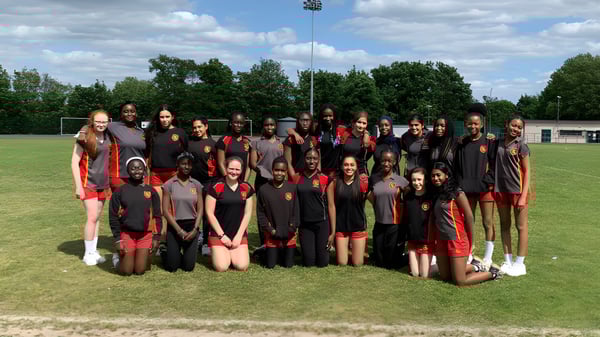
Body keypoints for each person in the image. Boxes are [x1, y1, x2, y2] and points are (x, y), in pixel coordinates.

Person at [430, 162, 501, 286]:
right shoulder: (435, 193)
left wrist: (471, 242)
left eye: (438, 175)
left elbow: (469, 217)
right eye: (433, 176)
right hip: (441, 240)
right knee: (445, 276)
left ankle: (493, 273)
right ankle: (475, 267)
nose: (435, 178)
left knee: (460, 281)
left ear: (446, 175)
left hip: (457, 240)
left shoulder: (457, 193)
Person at [455, 104, 497, 269]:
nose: (473, 126)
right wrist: (461, 184)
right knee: (468, 221)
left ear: (482, 124)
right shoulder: (461, 142)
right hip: (467, 189)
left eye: (476, 124)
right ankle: (469, 252)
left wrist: (487, 181)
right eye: (470, 124)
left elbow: (494, 166)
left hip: (485, 189)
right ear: (466, 124)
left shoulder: (489, 142)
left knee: (488, 222)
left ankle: (488, 257)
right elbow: (457, 167)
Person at [71, 110, 111, 266]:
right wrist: (78, 187)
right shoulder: (85, 135)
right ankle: (87, 254)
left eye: (104, 122)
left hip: (103, 184)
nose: (101, 124)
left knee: (97, 218)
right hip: (88, 183)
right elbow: (74, 162)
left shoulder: (109, 137)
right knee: (92, 217)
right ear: (92, 121)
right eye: (98, 122)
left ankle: (94, 251)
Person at [109, 157, 162, 275]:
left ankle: (140, 257)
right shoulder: (120, 191)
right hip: (127, 234)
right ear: (127, 170)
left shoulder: (151, 191)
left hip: (144, 235)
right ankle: (117, 259)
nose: (136, 171)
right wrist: (118, 238)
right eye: (133, 168)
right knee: (127, 271)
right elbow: (113, 216)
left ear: (144, 170)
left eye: (139, 168)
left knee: (140, 270)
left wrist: (156, 237)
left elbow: (157, 216)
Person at [494, 115, 531, 277]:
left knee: (521, 227)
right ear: (506, 124)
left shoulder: (521, 146)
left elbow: (527, 172)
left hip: (518, 190)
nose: (516, 129)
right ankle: (507, 261)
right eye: (513, 125)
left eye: (519, 127)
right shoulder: (496, 143)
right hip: (501, 190)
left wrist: (523, 196)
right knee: (504, 225)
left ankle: (519, 263)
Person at [205, 156, 254, 272]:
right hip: (218, 234)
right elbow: (209, 213)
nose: (234, 172)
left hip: (238, 234)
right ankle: (218, 251)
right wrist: (222, 236)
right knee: (222, 267)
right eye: (231, 168)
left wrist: (238, 236)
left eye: (237, 170)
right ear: (226, 168)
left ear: (241, 171)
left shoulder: (246, 188)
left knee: (242, 266)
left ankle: (231, 251)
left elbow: (248, 214)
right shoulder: (215, 187)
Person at [162, 152, 203, 272]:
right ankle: (165, 251)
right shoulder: (169, 184)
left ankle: (181, 254)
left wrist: (195, 229)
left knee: (188, 267)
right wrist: (179, 231)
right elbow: (165, 210)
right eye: (183, 164)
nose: (186, 167)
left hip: (191, 227)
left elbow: (200, 209)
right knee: (172, 267)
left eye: (189, 164)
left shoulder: (196, 184)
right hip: (175, 226)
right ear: (177, 165)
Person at [367, 150, 409, 269]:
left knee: (391, 263)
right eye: (384, 160)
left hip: (394, 224)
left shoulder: (401, 181)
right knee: (379, 261)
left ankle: (408, 256)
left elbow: (410, 195)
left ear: (395, 162)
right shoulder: (374, 179)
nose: (386, 163)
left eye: (389, 161)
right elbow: (368, 194)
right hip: (379, 222)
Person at [291, 148, 332, 267]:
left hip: (321, 223)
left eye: (314, 158)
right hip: (305, 225)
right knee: (308, 262)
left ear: (318, 160)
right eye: (309, 158)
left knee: (322, 263)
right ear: (304, 159)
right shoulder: (296, 178)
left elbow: (331, 205)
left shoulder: (324, 178)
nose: (311, 161)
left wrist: (332, 232)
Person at [257, 157, 299, 268]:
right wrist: (272, 231)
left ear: (286, 172)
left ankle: (282, 250)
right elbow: (261, 214)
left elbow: (296, 211)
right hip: (272, 233)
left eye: (282, 171)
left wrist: (291, 229)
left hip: (289, 233)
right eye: (276, 170)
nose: (279, 173)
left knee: (288, 265)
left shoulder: (292, 188)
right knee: (270, 265)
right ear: (272, 170)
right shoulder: (263, 189)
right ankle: (264, 251)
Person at [327, 155, 369, 266]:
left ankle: (357, 251)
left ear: (356, 167)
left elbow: (376, 200)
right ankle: (349, 249)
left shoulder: (363, 183)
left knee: (357, 263)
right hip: (341, 227)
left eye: (352, 165)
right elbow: (331, 206)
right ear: (341, 167)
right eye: (346, 165)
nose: (349, 167)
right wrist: (332, 231)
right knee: (342, 262)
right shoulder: (335, 182)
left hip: (357, 226)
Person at [250, 115, 284, 246]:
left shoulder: (280, 143)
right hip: (262, 181)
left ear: (276, 126)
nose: (269, 127)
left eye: (272, 125)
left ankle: (277, 238)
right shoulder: (256, 142)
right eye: (267, 125)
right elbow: (252, 163)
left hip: (278, 181)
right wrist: (262, 172)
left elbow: (284, 162)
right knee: (263, 211)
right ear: (263, 126)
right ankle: (263, 241)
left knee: (276, 210)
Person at [188, 116, 217, 256]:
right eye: (194, 127)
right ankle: (195, 238)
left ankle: (206, 241)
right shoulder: (189, 142)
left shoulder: (213, 144)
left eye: (199, 127)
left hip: (208, 182)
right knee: (192, 212)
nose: (197, 130)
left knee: (206, 213)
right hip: (191, 182)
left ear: (206, 126)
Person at [287, 104, 340, 178]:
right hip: (318, 168)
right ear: (321, 117)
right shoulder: (317, 129)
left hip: (334, 171)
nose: (328, 118)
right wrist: (296, 134)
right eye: (325, 116)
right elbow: (289, 130)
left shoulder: (340, 130)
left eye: (330, 115)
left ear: (334, 116)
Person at [404, 168, 435, 277]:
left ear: (425, 180)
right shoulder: (408, 197)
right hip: (412, 240)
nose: (416, 183)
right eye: (413, 180)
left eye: (419, 179)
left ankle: (438, 265)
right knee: (415, 274)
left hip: (426, 240)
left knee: (424, 275)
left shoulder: (431, 197)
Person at [216, 112, 252, 182]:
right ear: (230, 123)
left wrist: (244, 182)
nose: (238, 125)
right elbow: (220, 163)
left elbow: (248, 166)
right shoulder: (223, 140)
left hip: (241, 182)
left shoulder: (247, 142)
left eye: (241, 123)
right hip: (227, 182)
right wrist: (229, 180)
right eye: (236, 122)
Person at [337, 111, 375, 176]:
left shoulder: (369, 139)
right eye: (359, 122)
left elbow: (368, 155)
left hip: (360, 173)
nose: (361, 125)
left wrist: (366, 134)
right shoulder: (344, 134)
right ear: (353, 123)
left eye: (364, 123)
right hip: (344, 172)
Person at [284, 112, 319, 178]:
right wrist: (294, 177)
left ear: (311, 122)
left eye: (307, 120)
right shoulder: (291, 139)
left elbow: (318, 161)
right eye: (302, 120)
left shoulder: (314, 139)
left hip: (311, 176)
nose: (305, 123)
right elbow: (287, 162)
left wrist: (317, 176)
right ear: (298, 122)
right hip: (296, 176)